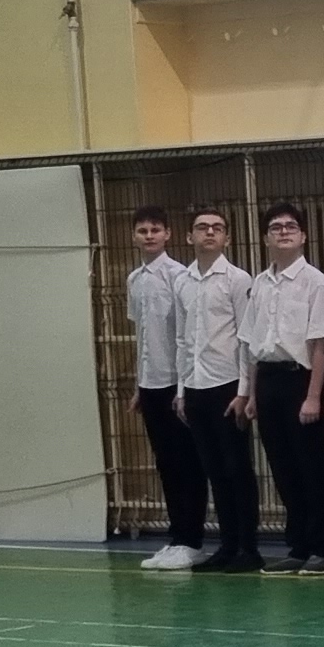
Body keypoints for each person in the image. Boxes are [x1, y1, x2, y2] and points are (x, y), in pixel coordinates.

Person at [239, 202, 324, 574]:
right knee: (281, 467)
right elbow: (252, 343)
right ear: (266, 237)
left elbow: (320, 343)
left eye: (290, 226)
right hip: (268, 380)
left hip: (301, 379)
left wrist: (314, 396)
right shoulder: (260, 284)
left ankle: (323, 549)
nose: (283, 231)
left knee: (310, 467)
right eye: (276, 227)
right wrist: (252, 394)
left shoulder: (316, 281)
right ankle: (298, 546)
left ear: (303, 236)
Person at [173, 205, 262, 573]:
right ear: (189, 236)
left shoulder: (238, 280)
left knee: (237, 468)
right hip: (195, 385)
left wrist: (244, 391)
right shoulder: (182, 281)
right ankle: (227, 545)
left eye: (217, 227)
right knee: (214, 471)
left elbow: (246, 338)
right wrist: (181, 389)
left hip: (228, 387)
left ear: (227, 237)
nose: (209, 232)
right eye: (202, 227)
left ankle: (248, 548)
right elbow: (182, 339)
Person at [122, 207, 209, 571]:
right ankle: (176, 538)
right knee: (166, 464)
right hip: (151, 384)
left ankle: (192, 541)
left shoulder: (179, 276)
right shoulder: (134, 279)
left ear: (168, 234)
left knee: (187, 463)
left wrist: (183, 387)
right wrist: (139, 385)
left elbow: (187, 335)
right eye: (142, 230)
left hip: (178, 383)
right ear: (134, 236)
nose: (149, 235)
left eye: (155, 229)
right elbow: (142, 334)